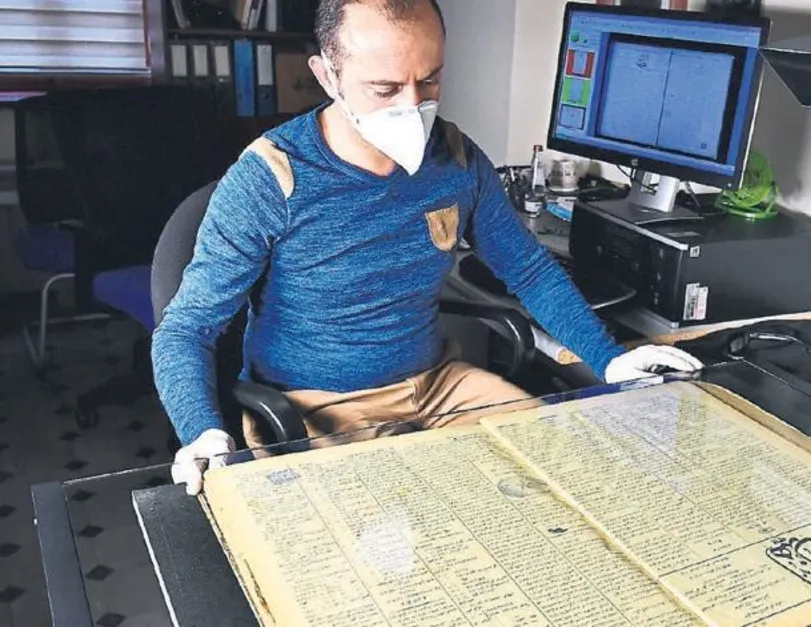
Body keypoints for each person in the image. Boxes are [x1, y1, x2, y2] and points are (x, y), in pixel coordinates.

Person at [151, 0, 702, 495]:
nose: (414, 107)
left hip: (438, 386)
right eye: (385, 89)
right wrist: (202, 431)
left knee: (564, 478)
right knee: (392, 539)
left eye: (430, 80)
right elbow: (186, 328)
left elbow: (529, 269)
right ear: (326, 75)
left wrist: (610, 359)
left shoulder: (457, 160)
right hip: (315, 408)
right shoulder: (270, 179)